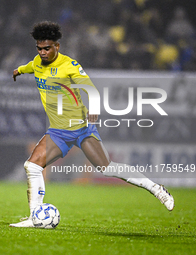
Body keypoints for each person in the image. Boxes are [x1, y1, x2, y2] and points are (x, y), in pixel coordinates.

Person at [10, 21, 174, 227]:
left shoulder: (69, 65)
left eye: (47, 48)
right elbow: (30, 67)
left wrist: (94, 109)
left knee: (107, 168)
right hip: (58, 132)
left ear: (57, 47)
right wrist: (19, 71)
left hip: (81, 128)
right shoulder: (36, 62)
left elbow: (91, 89)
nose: (42, 52)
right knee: (32, 165)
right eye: (39, 48)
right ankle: (35, 217)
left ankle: (156, 189)